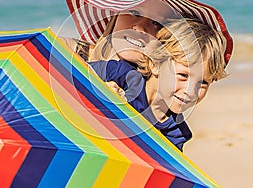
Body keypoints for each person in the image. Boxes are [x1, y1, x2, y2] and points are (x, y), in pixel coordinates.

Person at [87, 18, 227, 152]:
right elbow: (70, 76)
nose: (190, 91)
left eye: (203, 83)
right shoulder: (118, 75)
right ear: (155, 64)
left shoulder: (175, 134)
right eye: (183, 76)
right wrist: (97, 90)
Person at [65, 0, 233, 67]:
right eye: (134, 12)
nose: (140, 27)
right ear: (116, 14)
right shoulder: (67, 53)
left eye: (157, 23)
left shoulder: (153, 100)